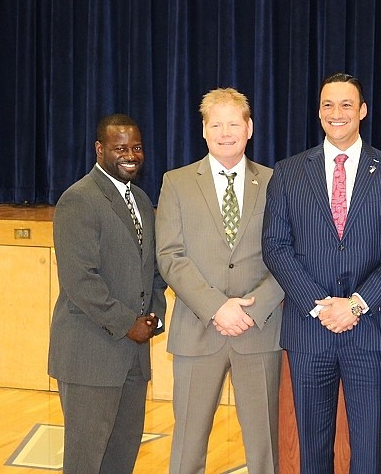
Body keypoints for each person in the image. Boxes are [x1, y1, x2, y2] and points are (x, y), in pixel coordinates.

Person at [262, 72, 381, 473]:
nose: (337, 113)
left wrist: (357, 305)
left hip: (370, 329)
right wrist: (321, 307)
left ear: (362, 111)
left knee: (367, 452)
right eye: (328, 104)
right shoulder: (289, 172)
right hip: (309, 331)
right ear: (318, 112)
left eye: (346, 104)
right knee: (312, 451)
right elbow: (276, 248)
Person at [155, 88, 284, 474]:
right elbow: (170, 257)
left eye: (233, 124)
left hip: (259, 330)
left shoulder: (277, 182)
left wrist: (254, 308)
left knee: (264, 447)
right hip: (198, 331)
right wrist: (216, 307)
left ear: (249, 129)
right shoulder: (176, 183)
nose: (225, 132)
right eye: (216, 124)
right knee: (187, 446)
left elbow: (290, 256)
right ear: (204, 131)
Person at [48, 113, 167, 474]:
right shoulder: (79, 200)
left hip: (132, 358)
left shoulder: (142, 200)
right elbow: (80, 280)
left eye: (136, 147)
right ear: (100, 150)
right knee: (86, 463)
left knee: (121, 460)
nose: (130, 155)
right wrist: (127, 323)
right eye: (120, 148)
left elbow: (155, 272)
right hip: (91, 357)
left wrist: (154, 316)